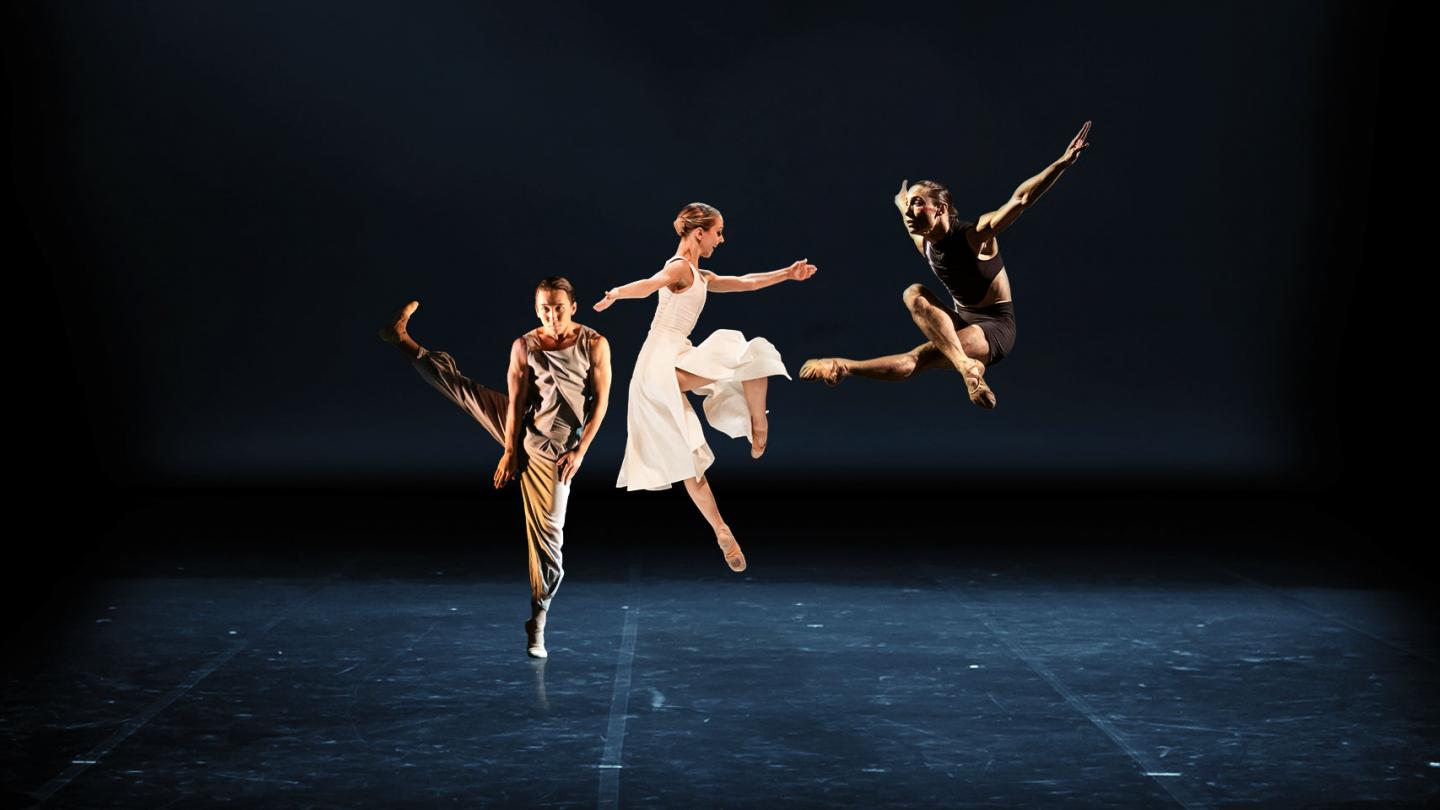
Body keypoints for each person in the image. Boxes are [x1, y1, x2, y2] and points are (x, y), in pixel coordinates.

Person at [379, 277, 612, 659]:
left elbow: (601, 402)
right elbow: (517, 398)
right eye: (544, 309)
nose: (551, 315)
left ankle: (538, 618)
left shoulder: (594, 344)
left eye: (558, 307)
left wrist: (581, 450)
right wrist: (509, 451)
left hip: (556, 450)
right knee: (464, 390)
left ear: (573, 307)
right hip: (521, 429)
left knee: (550, 541)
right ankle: (401, 339)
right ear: (537, 310)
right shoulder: (525, 345)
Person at [800, 121, 1092, 409]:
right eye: (911, 205)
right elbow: (906, 213)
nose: (912, 212)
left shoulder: (976, 236)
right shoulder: (923, 241)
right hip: (960, 319)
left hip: (995, 328)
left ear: (940, 209)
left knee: (918, 358)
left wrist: (1061, 164)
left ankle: (961, 367)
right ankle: (849, 367)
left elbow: (1021, 199)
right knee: (912, 294)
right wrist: (901, 202)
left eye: (918, 204)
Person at [592, 203, 816, 572]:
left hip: (668, 361)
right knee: (746, 353)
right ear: (699, 233)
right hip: (660, 363)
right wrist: (618, 292)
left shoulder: (701, 273)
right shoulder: (679, 267)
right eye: (718, 232)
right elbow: (651, 285)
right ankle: (758, 425)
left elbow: (747, 281)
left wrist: (787, 274)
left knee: (689, 460)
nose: (721, 238)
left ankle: (722, 530)